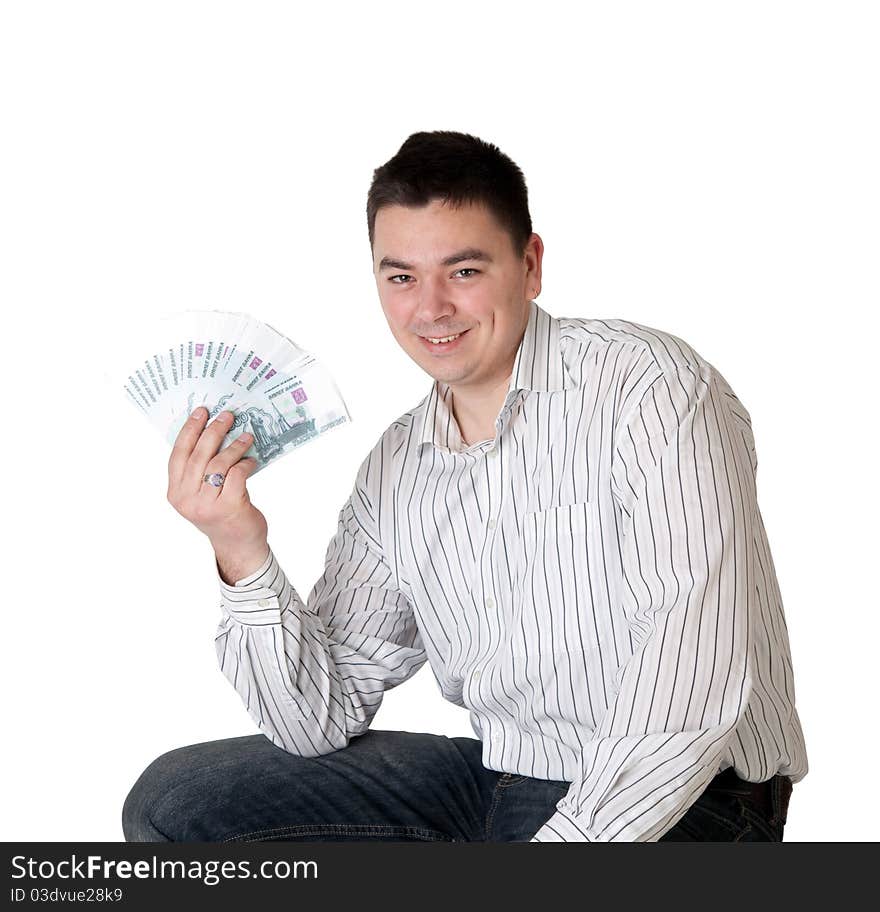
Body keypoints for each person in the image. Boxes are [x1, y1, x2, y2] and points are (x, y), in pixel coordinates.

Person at [122, 130, 808, 842]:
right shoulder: (398, 468)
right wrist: (238, 545)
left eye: (465, 271)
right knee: (178, 802)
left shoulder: (647, 387)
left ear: (530, 265)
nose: (430, 309)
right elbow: (315, 719)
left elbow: (689, 683)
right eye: (401, 278)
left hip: (688, 794)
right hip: (503, 775)